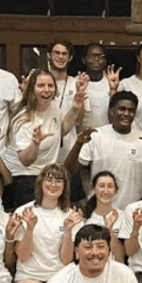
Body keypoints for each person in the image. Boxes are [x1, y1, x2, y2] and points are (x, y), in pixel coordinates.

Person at [13, 164, 83, 283]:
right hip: (29, 275)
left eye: (58, 181)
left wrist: (68, 231)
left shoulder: (71, 215)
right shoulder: (24, 211)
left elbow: (66, 260)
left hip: (59, 276)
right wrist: (30, 229)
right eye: (49, 180)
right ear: (41, 183)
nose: (53, 185)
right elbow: (22, 255)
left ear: (64, 186)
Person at [3, 69, 84, 207]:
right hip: (25, 179)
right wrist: (35, 143)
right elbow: (25, 160)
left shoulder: (52, 107)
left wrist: (75, 109)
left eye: (50, 85)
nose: (46, 90)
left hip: (47, 175)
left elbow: (61, 130)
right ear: (32, 89)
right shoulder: (23, 118)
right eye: (41, 86)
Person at [65, 90, 142, 211]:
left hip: (131, 212)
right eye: (121, 109)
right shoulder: (96, 136)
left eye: (131, 110)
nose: (126, 114)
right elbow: (69, 170)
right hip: (99, 210)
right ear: (112, 110)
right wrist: (78, 144)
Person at [46, 39, 91, 201]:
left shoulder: (76, 83)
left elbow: (79, 122)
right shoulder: (41, 83)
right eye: (56, 53)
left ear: (70, 57)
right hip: (43, 155)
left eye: (64, 54)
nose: (60, 57)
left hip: (69, 155)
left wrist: (79, 94)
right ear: (49, 56)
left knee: (71, 203)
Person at [80, 171, 125, 263]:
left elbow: (120, 257)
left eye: (110, 186)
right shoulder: (84, 219)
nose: (106, 191)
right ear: (93, 189)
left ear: (115, 191)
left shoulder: (123, 216)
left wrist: (110, 230)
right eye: (101, 186)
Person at [80, 43, 116, 128]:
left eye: (100, 56)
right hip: (83, 134)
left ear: (105, 61)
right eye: (91, 56)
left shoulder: (112, 83)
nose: (96, 59)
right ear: (84, 60)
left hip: (107, 134)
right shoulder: (77, 83)